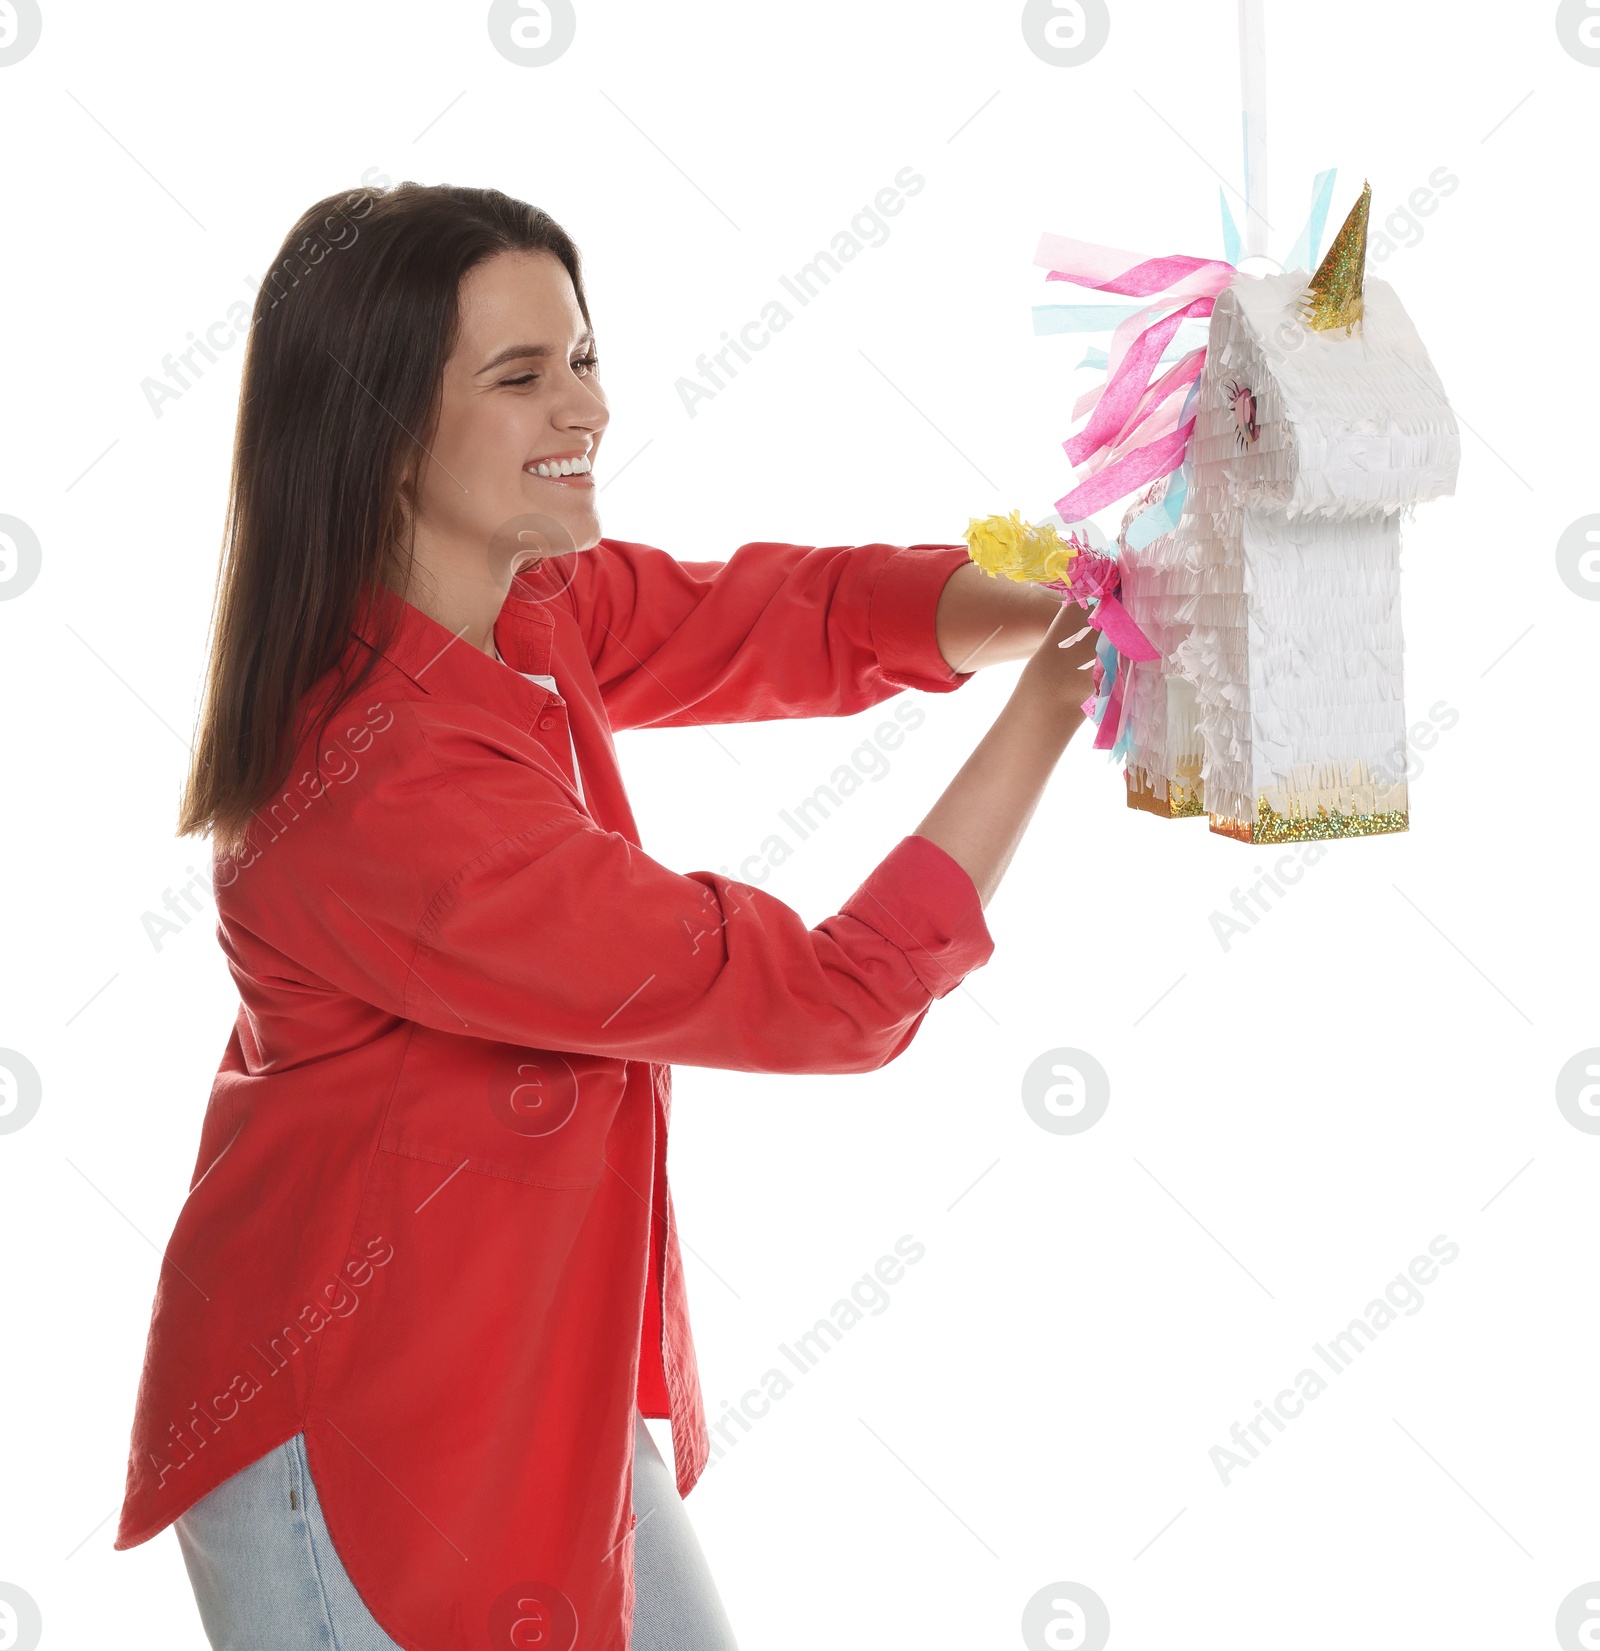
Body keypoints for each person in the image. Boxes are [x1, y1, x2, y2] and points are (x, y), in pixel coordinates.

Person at [111, 181, 1100, 1651]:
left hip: (532, 1396)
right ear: (383, 435)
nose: (588, 404)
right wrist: (1066, 692)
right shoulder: (389, 803)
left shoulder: (526, 605)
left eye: (581, 355)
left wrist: (1064, 589)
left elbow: (783, 617)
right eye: (521, 376)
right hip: (362, 1441)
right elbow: (826, 997)